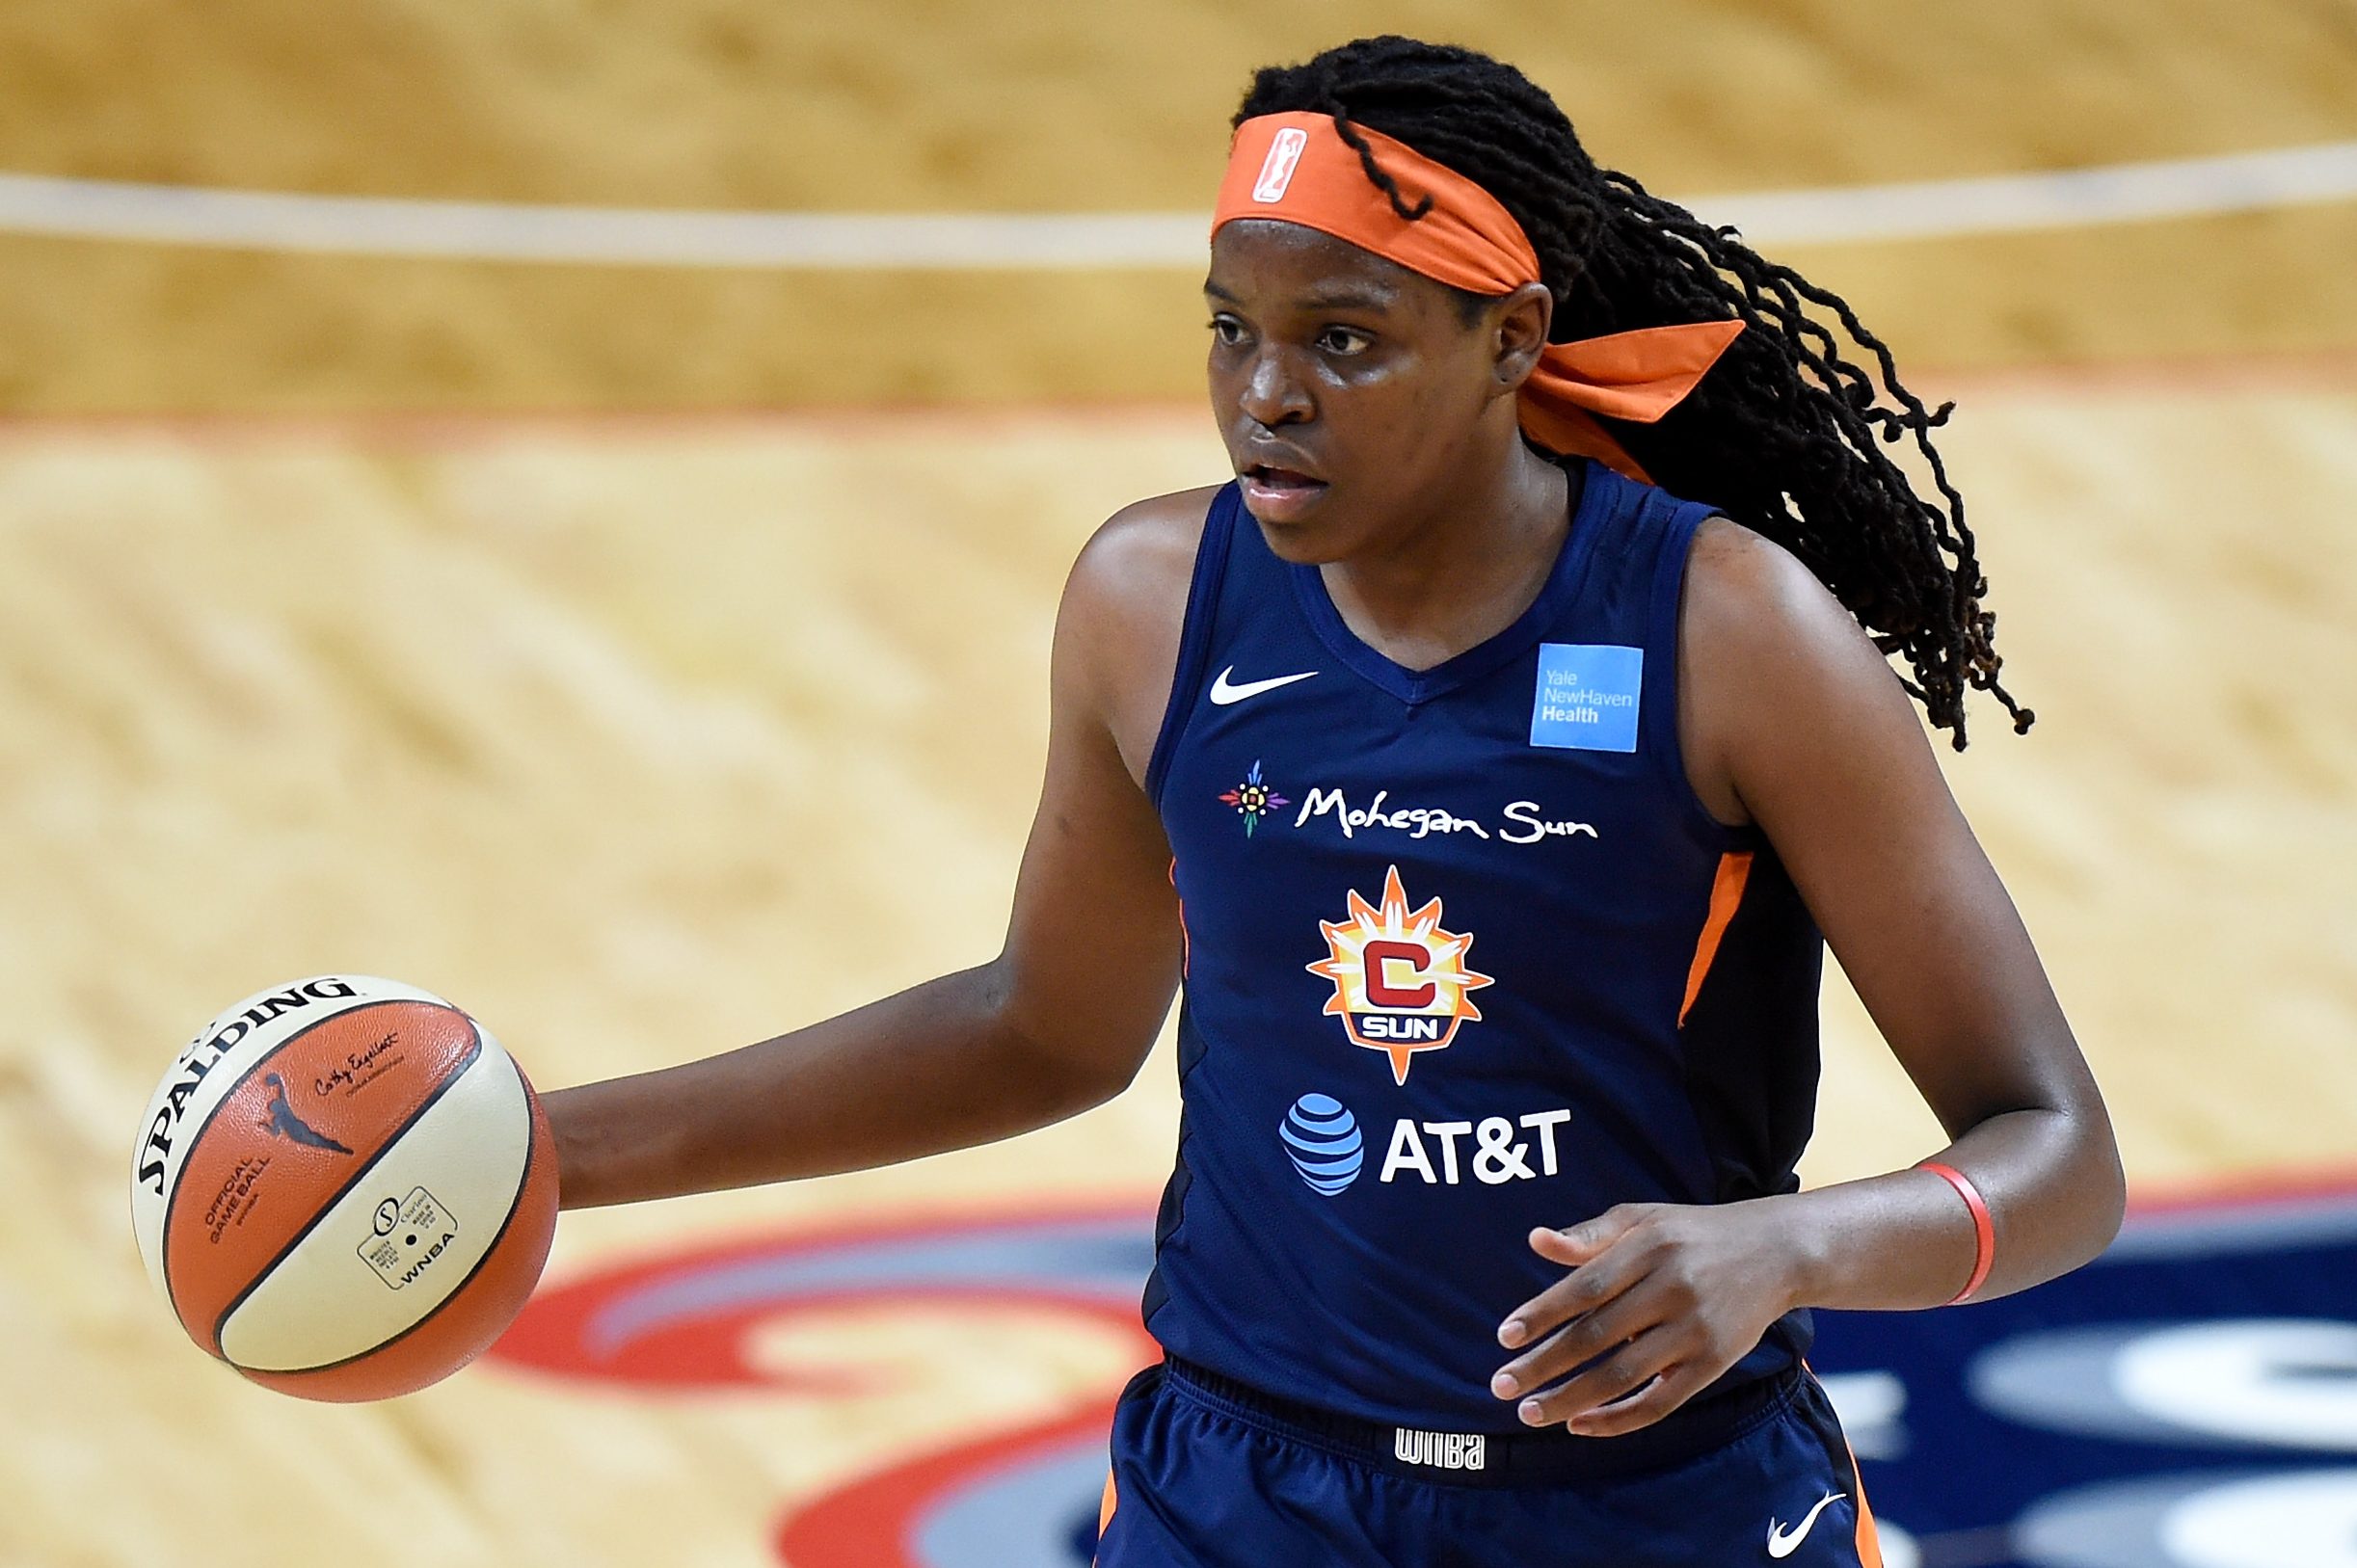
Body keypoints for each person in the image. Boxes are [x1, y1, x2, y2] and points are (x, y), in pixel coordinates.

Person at [545, 36, 2124, 1567]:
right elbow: (1043, 1030)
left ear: (1511, 336)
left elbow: (2055, 1154)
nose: (1264, 395)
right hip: (1240, 1496)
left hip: (1655, 1508)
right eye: (1231, 327)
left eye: (1344, 339)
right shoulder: (1151, 599)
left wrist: (1786, 1251)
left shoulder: (1725, 632)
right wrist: (544, 1155)